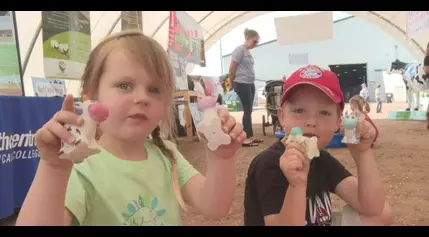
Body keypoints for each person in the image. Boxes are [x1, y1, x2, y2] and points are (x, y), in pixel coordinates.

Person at [16, 31, 246, 226]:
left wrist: (221, 159)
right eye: (124, 85)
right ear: (90, 96)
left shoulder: (165, 152)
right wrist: (54, 169)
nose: (142, 98)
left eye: (154, 89)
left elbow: (215, 207)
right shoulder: (79, 166)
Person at [243, 65, 392, 226]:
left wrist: (362, 153)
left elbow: (372, 207)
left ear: (338, 122)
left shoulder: (321, 159)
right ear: (281, 116)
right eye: (299, 110)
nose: (311, 122)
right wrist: (297, 185)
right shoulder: (270, 164)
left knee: (383, 214)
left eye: (324, 113)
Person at [229, 28, 263, 147]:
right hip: (241, 82)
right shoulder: (239, 50)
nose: (255, 44)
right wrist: (231, 81)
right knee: (247, 110)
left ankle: (250, 135)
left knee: (249, 110)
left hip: (249, 83)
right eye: (254, 42)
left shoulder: (248, 52)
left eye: (257, 42)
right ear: (248, 39)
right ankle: (246, 137)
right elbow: (232, 67)